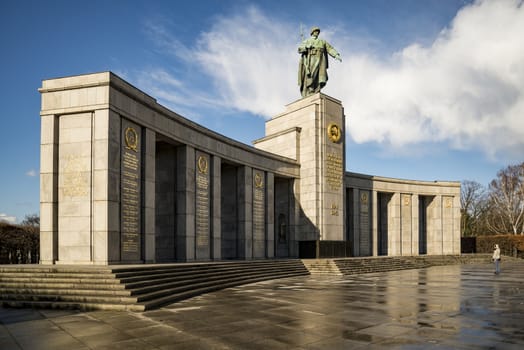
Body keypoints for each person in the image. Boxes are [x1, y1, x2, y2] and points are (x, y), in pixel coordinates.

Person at [298, 26, 341, 98]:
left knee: (320, 75)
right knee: (312, 74)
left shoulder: (322, 41)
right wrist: (306, 47)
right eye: (315, 31)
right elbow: (300, 49)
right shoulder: (307, 41)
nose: (317, 32)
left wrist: (336, 55)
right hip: (311, 58)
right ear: (312, 32)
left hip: (321, 59)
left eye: (318, 31)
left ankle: (316, 89)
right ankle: (310, 89)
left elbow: (329, 48)